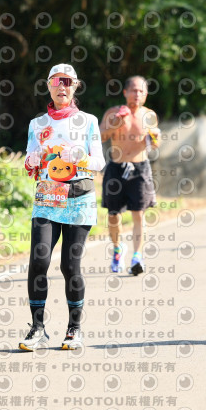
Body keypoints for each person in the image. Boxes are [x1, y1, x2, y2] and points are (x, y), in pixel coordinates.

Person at [19, 63, 105, 351]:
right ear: (48, 86)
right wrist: (31, 161)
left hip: (79, 198)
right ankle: (37, 329)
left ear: (75, 86)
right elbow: (31, 159)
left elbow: (99, 162)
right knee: (39, 260)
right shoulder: (37, 124)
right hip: (47, 197)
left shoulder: (89, 121)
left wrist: (80, 157)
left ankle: (74, 329)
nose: (62, 87)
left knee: (70, 265)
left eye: (68, 82)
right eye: (57, 81)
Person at [100, 76, 160, 275]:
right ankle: (118, 250)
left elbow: (154, 144)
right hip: (116, 168)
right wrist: (115, 124)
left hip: (140, 168)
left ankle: (137, 256)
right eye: (134, 90)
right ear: (125, 92)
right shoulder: (113, 113)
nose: (137, 94)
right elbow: (100, 136)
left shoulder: (149, 115)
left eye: (141, 91)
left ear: (146, 95)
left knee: (138, 214)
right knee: (113, 216)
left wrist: (155, 138)